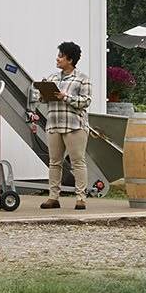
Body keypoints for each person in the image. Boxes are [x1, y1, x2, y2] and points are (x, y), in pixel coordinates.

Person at [37, 40, 100, 208]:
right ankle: (53, 197)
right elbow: (42, 100)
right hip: (54, 124)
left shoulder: (82, 79)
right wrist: (43, 92)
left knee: (77, 161)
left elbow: (85, 102)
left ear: (70, 60)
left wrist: (65, 97)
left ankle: (81, 198)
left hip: (75, 126)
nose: (57, 59)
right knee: (54, 162)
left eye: (60, 56)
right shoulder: (52, 77)